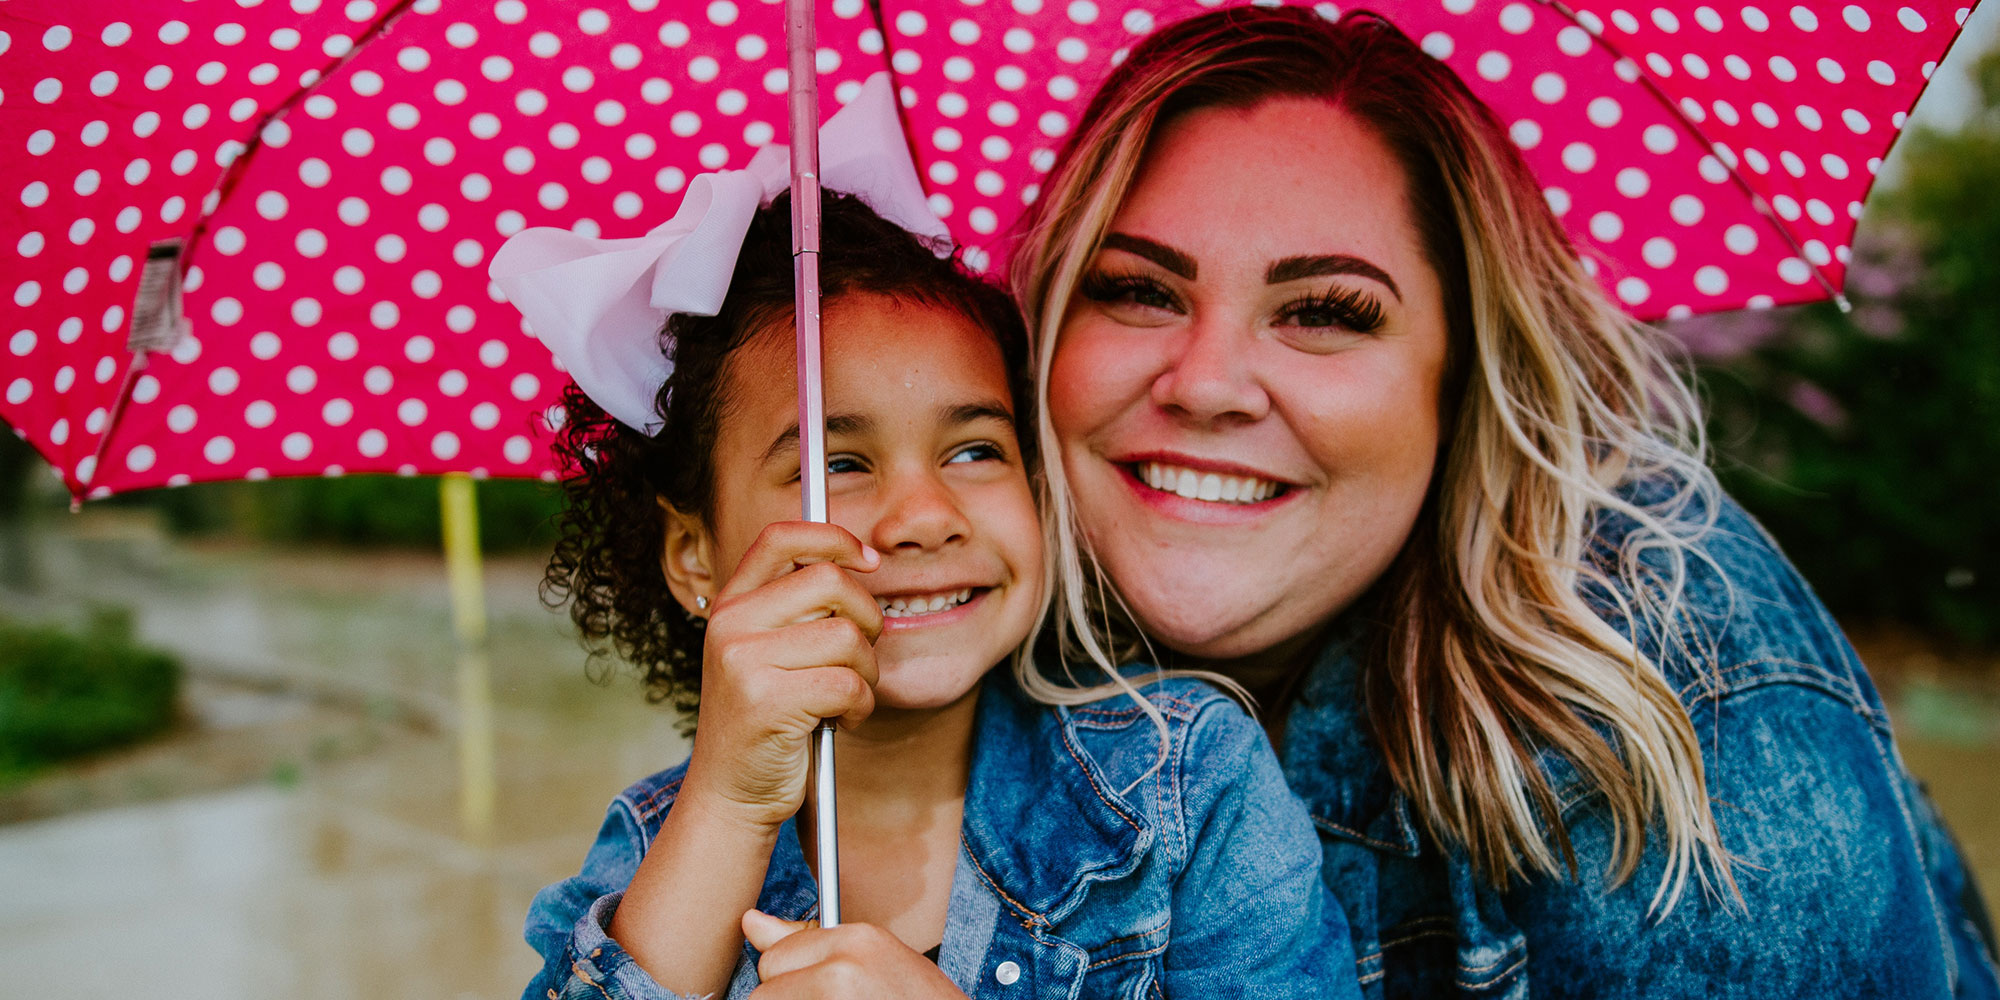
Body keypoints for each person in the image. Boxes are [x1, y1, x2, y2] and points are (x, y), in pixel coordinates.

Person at [1010, 8, 2000, 998]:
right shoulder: (942, 634)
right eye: (1137, 291)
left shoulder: (1641, 662)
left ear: (1459, 377)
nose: (1207, 382)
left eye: (1323, 311)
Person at [491, 76, 1354, 1000]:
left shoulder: (1184, 785)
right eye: (841, 465)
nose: (925, 517)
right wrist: (732, 808)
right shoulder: (650, 845)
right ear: (694, 555)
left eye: (977, 449)